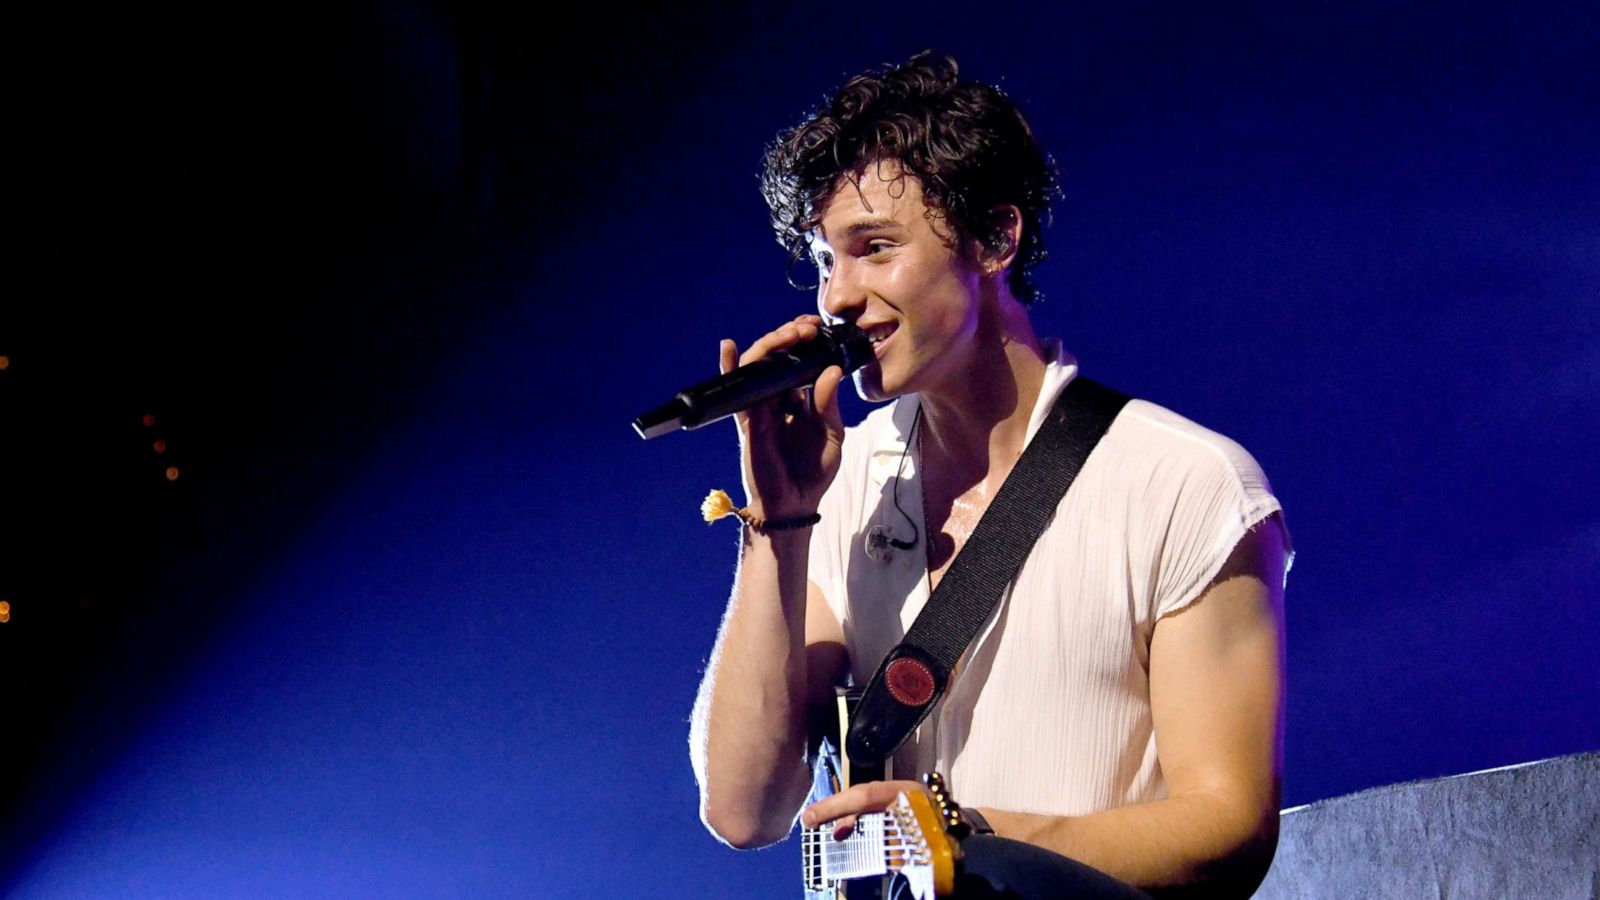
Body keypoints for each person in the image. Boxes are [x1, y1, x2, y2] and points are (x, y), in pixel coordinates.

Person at [688, 51, 1291, 899]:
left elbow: (1227, 824)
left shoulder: (1186, 483)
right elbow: (744, 810)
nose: (839, 297)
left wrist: (962, 839)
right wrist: (780, 521)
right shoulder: (849, 480)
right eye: (827, 261)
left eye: (876, 248)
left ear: (995, 239)